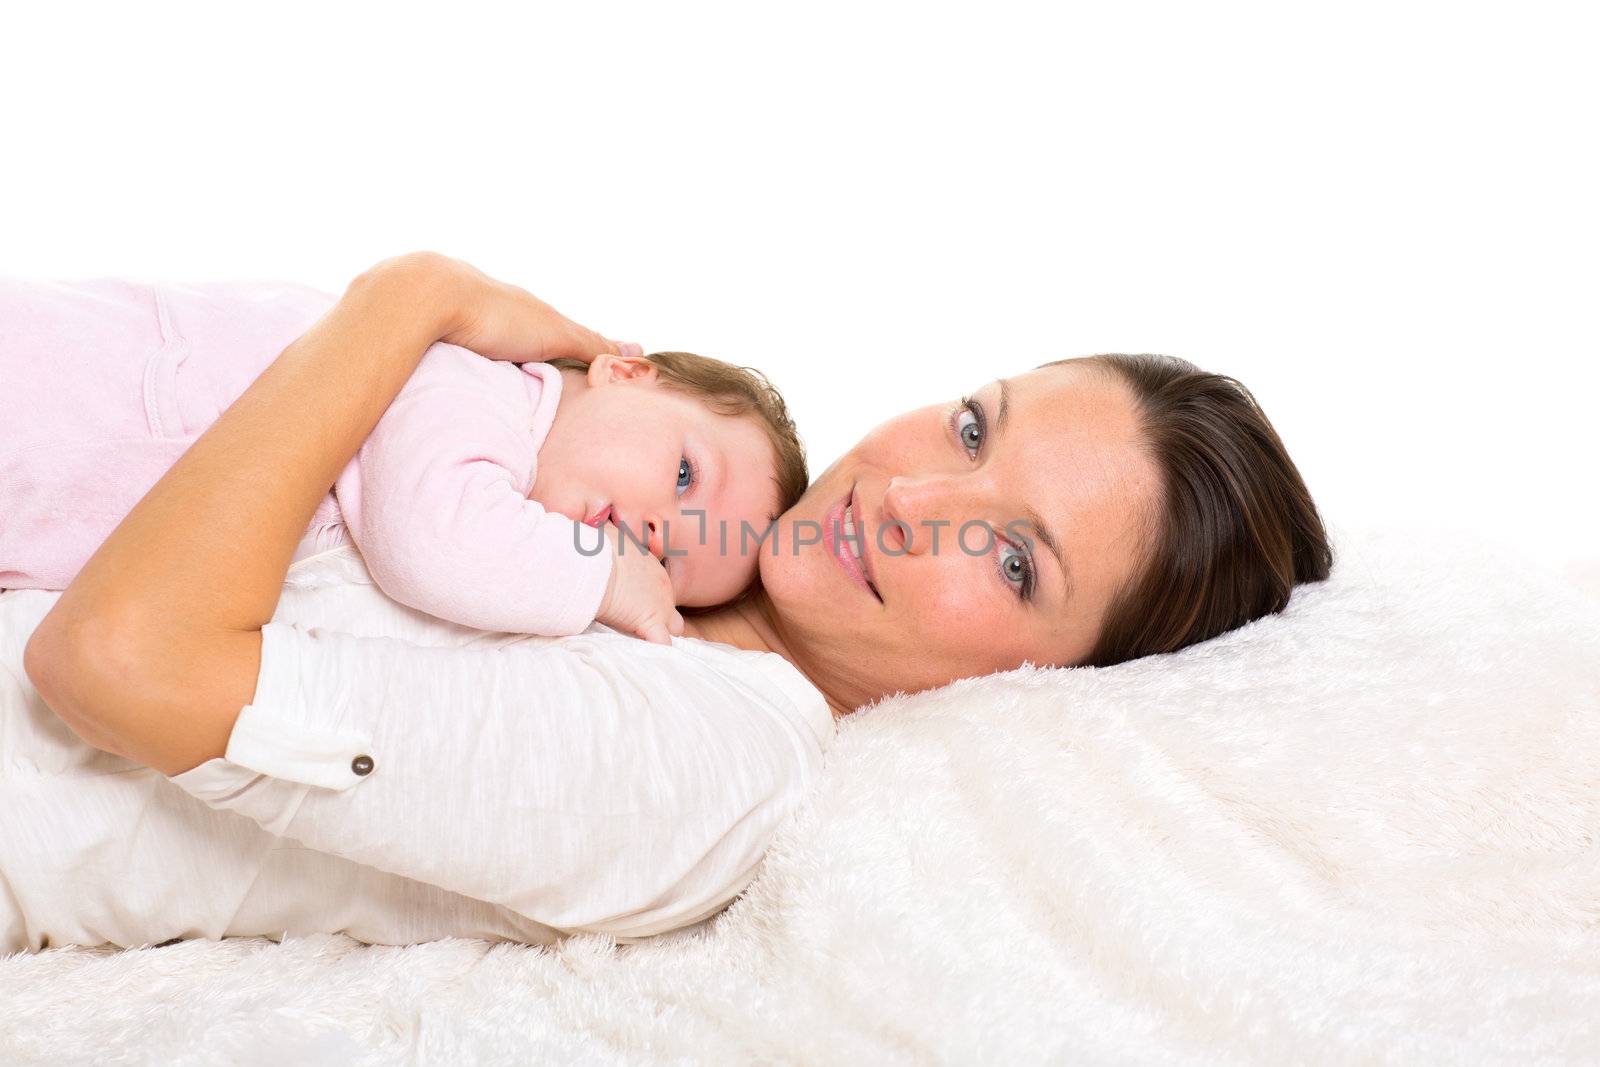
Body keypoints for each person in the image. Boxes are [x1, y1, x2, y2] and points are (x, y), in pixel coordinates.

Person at [3, 252, 1331, 953]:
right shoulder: (658, 530)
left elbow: (117, 658)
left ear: (1052, 683)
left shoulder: (714, 754)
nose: (916, 494)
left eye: (1015, 559)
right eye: (975, 423)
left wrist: (409, 300)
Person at [0, 277, 810, 644]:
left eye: (669, 555)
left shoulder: (511, 482)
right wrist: (609, 578)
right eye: (682, 477)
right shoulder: (469, 385)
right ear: (625, 371)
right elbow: (434, 539)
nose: (652, 528)